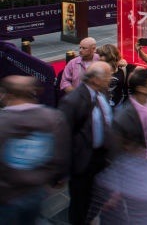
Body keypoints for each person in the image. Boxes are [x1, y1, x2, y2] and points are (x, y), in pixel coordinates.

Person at [0, 76, 69, 222]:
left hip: (6, 197)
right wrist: (57, 179)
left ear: (8, 95)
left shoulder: (3, 121)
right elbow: (60, 156)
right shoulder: (53, 118)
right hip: (37, 192)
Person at [58, 61, 113, 225]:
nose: (111, 79)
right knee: (80, 203)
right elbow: (63, 136)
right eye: (108, 76)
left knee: (97, 197)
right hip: (83, 162)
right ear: (95, 79)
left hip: (101, 158)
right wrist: (61, 172)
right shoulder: (73, 101)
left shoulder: (101, 94)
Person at [96, 43, 128, 108]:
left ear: (109, 56)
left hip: (119, 104)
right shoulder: (97, 69)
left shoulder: (122, 69)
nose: (99, 57)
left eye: (101, 55)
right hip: (102, 106)